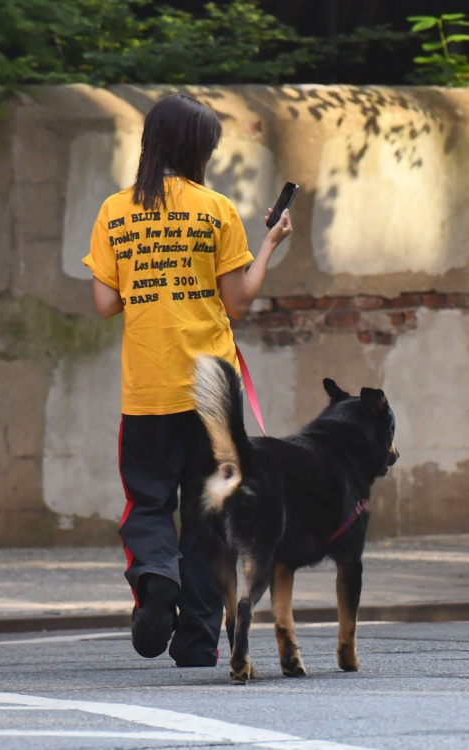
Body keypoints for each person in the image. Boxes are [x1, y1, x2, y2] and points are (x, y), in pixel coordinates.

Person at [82, 93, 292, 668]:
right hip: (214, 393)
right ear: (197, 148)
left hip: (148, 388)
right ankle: (197, 643)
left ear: (152, 143)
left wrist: (148, 276)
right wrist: (269, 242)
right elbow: (238, 301)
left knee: (148, 501)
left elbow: (104, 303)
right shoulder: (216, 209)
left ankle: (154, 577)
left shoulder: (114, 212)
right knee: (211, 513)